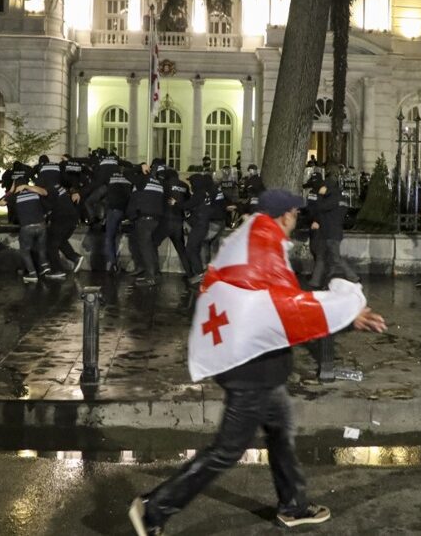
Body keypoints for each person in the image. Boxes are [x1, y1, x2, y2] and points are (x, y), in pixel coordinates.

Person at [128, 189, 387, 536]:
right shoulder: (264, 247)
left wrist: (346, 318)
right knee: (227, 450)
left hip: (259, 364)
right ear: (284, 216)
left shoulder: (251, 239)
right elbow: (287, 309)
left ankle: (293, 506)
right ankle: (153, 509)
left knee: (280, 433)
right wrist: (346, 306)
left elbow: (274, 302)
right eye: (295, 214)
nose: (296, 221)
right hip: (250, 369)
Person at [0, 176, 65, 283]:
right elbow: (44, 192)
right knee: (42, 249)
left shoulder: (14, 196)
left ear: (16, 186)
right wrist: (28, 186)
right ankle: (47, 271)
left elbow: (0, 203)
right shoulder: (35, 193)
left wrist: (11, 191)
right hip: (41, 226)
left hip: (27, 227)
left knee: (25, 251)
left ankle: (32, 274)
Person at [309, 175, 359, 288]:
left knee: (335, 258)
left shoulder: (332, 198)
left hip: (331, 233)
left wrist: (320, 195)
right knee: (321, 257)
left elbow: (320, 207)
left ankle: (353, 277)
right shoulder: (339, 198)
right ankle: (315, 281)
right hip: (328, 232)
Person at [126, 161, 166, 286]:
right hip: (156, 220)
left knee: (145, 248)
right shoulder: (158, 183)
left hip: (144, 219)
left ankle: (150, 277)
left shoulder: (143, 180)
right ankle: (155, 273)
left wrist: (139, 167)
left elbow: (126, 173)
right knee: (150, 247)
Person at [154, 167, 191, 277]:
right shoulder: (184, 186)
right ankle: (191, 274)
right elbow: (188, 202)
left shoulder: (164, 184)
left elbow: (158, 199)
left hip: (166, 220)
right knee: (181, 250)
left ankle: (155, 272)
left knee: (152, 244)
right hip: (178, 221)